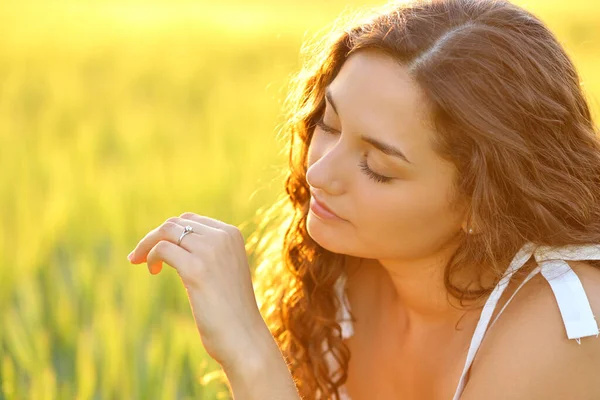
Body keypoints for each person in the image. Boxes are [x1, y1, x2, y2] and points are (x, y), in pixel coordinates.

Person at [128, 0, 600, 399]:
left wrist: (251, 355)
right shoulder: (340, 267)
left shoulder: (564, 324)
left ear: (484, 203)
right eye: (328, 125)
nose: (318, 173)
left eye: (377, 167)